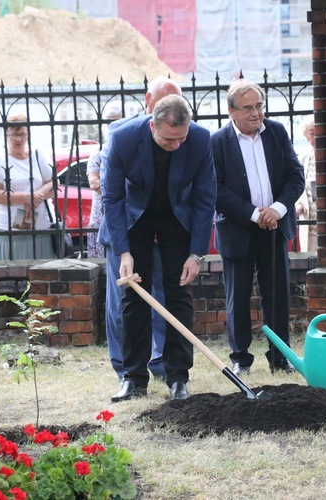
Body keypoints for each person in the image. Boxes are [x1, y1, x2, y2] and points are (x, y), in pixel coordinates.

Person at [102, 94, 216, 401]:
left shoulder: (201, 139)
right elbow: (112, 199)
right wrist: (123, 251)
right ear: (153, 126)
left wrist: (196, 254)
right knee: (134, 297)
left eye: (182, 138)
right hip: (135, 219)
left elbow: (206, 199)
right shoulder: (123, 139)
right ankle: (133, 377)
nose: (177, 145)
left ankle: (178, 376)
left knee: (178, 294)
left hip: (176, 220)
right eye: (169, 139)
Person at [211, 79, 305, 376]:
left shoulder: (276, 132)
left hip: (275, 226)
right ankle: (240, 358)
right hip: (238, 229)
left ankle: (280, 356)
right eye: (248, 107)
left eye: (260, 106)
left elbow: (295, 176)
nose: (256, 113)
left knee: (277, 295)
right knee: (237, 297)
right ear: (231, 111)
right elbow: (216, 189)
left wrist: (277, 209)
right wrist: (254, 214)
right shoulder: (217, 141)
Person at [97, 77, 183, 382]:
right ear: (149, 99)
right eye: (162, 101)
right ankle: (124, 367)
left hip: (163, 233)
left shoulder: (181, 134)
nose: (168, 109)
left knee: (160, 297)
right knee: (124, 299)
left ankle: (159, 363)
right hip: (125, 231)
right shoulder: (121, 133)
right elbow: (113, 193)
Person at [0, 114, 57, 261]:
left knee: (44, 279)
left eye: (22, 134)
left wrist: (35, 197)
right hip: (8, 230)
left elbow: (53, 183)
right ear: (7, 135)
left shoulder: (38, 153)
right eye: (14, 135)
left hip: (41, 228)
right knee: (9, 280)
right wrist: (25, 198)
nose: (18, 139)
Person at [86, 104, 123, 259]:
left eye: (116, 121)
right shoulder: (98, 152)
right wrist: (117, 187)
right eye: (109, 122)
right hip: (101, 215)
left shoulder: (125, 148)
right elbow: (94, 183)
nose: (112, 126)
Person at [296, 115, 317, 252]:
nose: (317, 136)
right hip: (310, 223)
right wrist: (298, 204)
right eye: (312, 133)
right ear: (306, 136)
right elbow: (297, 187)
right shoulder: (303, 159)